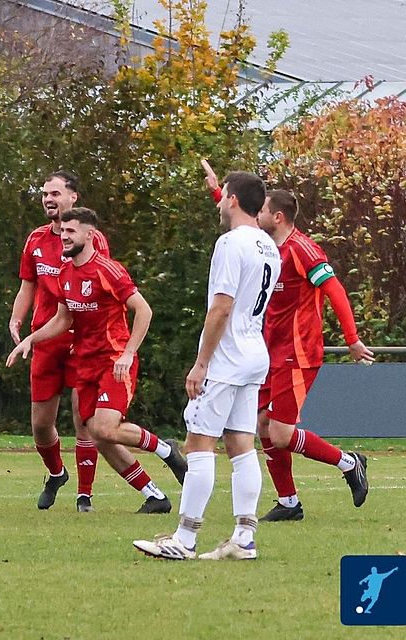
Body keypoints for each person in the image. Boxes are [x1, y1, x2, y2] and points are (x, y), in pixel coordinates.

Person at [203, 161, 373, 521]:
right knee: (263, 424)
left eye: (262, 208)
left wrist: (353, 339)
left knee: (279, 433)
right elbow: (241, 218)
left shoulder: (303, 250)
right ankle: (289, 502)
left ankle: (348, 462)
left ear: (276, 217)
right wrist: (219, 193)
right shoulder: (265, 245)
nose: (256, 212)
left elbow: (335, 290)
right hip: (267, 352)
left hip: (298, 352)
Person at [9, 173, 185, 513]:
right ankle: (155, 496)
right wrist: (29, 337)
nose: (64, 237)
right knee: (95, 433)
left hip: (110, 359)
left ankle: (160, 454)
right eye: (63, 233)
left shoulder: (107, 268)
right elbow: (62, 318)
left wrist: (128, 352)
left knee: (99, 427)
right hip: (83, 357)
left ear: (90, 234)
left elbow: (142, 309)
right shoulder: (61, 270)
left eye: (71, 232)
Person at [133, 171, 281, 561]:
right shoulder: (269, 246)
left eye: (222, 196)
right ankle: (244, 539)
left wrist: (201, 363)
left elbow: (222, 306)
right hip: (253, 354)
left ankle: (185, 539)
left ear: (232, 200)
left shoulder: (230, 243)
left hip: (227, 359)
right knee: (241, 446)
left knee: (199, 443)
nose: (218, 202)